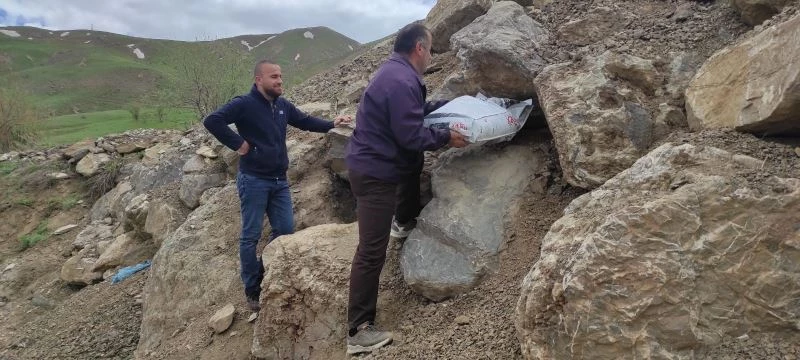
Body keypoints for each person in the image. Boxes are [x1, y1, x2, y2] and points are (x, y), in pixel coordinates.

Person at [343, 23, 468, 354]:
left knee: (412, 167)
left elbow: (410, 114)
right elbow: (411, 136)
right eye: (430, 49)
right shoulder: (400, 80)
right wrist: (447, 138)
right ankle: (358, 330)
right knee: (371, 250)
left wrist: (445, 106)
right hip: (374, 174)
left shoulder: (396, 73)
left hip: (380, 165)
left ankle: (403, 220)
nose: (431, 56)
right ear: (418, 49)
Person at [204, 59, 351, 312]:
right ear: (258, 80)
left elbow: (304, 121)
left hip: (279, 181)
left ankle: (263, 271)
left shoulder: (281, 105)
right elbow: (212, 120)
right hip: (254, 180)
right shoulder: (244, 103)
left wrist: (332, 123)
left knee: (284, 230)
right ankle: (252, 290)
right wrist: (238, 144)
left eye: (280, 76)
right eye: (273, 76)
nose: (279, 81)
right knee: (250, 236)